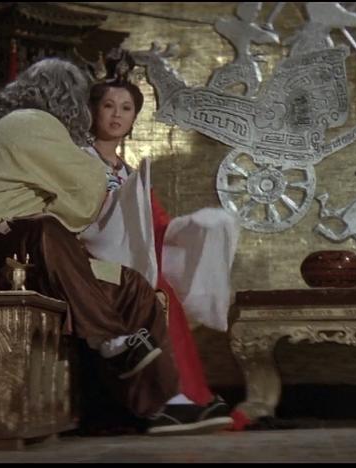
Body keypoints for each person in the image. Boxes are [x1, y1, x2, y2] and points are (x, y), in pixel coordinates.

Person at [0, 58, 230, 435]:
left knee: (132, 285)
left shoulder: (41, 129)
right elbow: (88, 191)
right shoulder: (29, 123)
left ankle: (161, 405)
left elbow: (80, 203)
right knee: (44, 228)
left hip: (34, 257)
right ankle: (113, 339)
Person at [81, 56, 242, 431]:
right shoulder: (79, 162)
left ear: (134, 118)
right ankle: (165, 397)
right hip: (86, 259)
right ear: (93, 111)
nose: (117, 115)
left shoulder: (130, 174)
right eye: (108, 106)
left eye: (126, 108)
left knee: (161, 287)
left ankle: (186, 393)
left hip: (125, 261)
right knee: (146, 287)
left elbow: (156, 225)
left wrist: (195, 227)